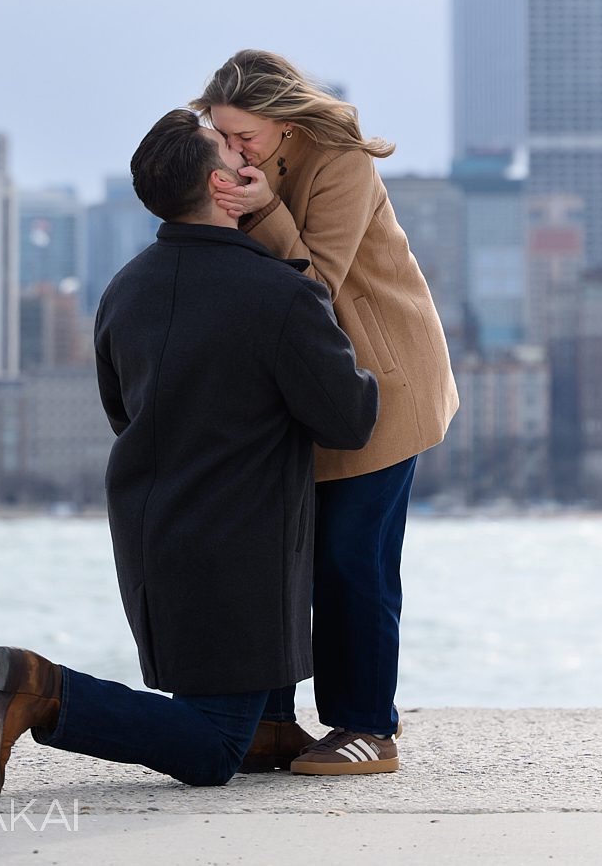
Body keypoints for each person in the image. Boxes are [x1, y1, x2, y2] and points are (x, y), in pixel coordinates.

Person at [0, 110, 379, 796]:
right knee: (214, 746)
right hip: (241, 551)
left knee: (231, 731)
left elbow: (121, 410)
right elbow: (349, 418)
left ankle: (69, 694)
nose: (250, 160)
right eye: (233, 152)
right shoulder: (282, 295)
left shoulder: (123, 290)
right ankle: (47, 690)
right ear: (224, 185)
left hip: (151, 540)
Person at [196, 49, 459, 776]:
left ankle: (367, 727)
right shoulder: (231, 166)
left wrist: (262, 210)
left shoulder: (340, 163)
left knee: (353, 561)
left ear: (283, 123)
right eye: (221, 134)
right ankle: (273, 722)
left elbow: (313, 283)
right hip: (295, 396)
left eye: (243, 135)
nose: (232, 148)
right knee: (279, 560)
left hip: (381, 387)